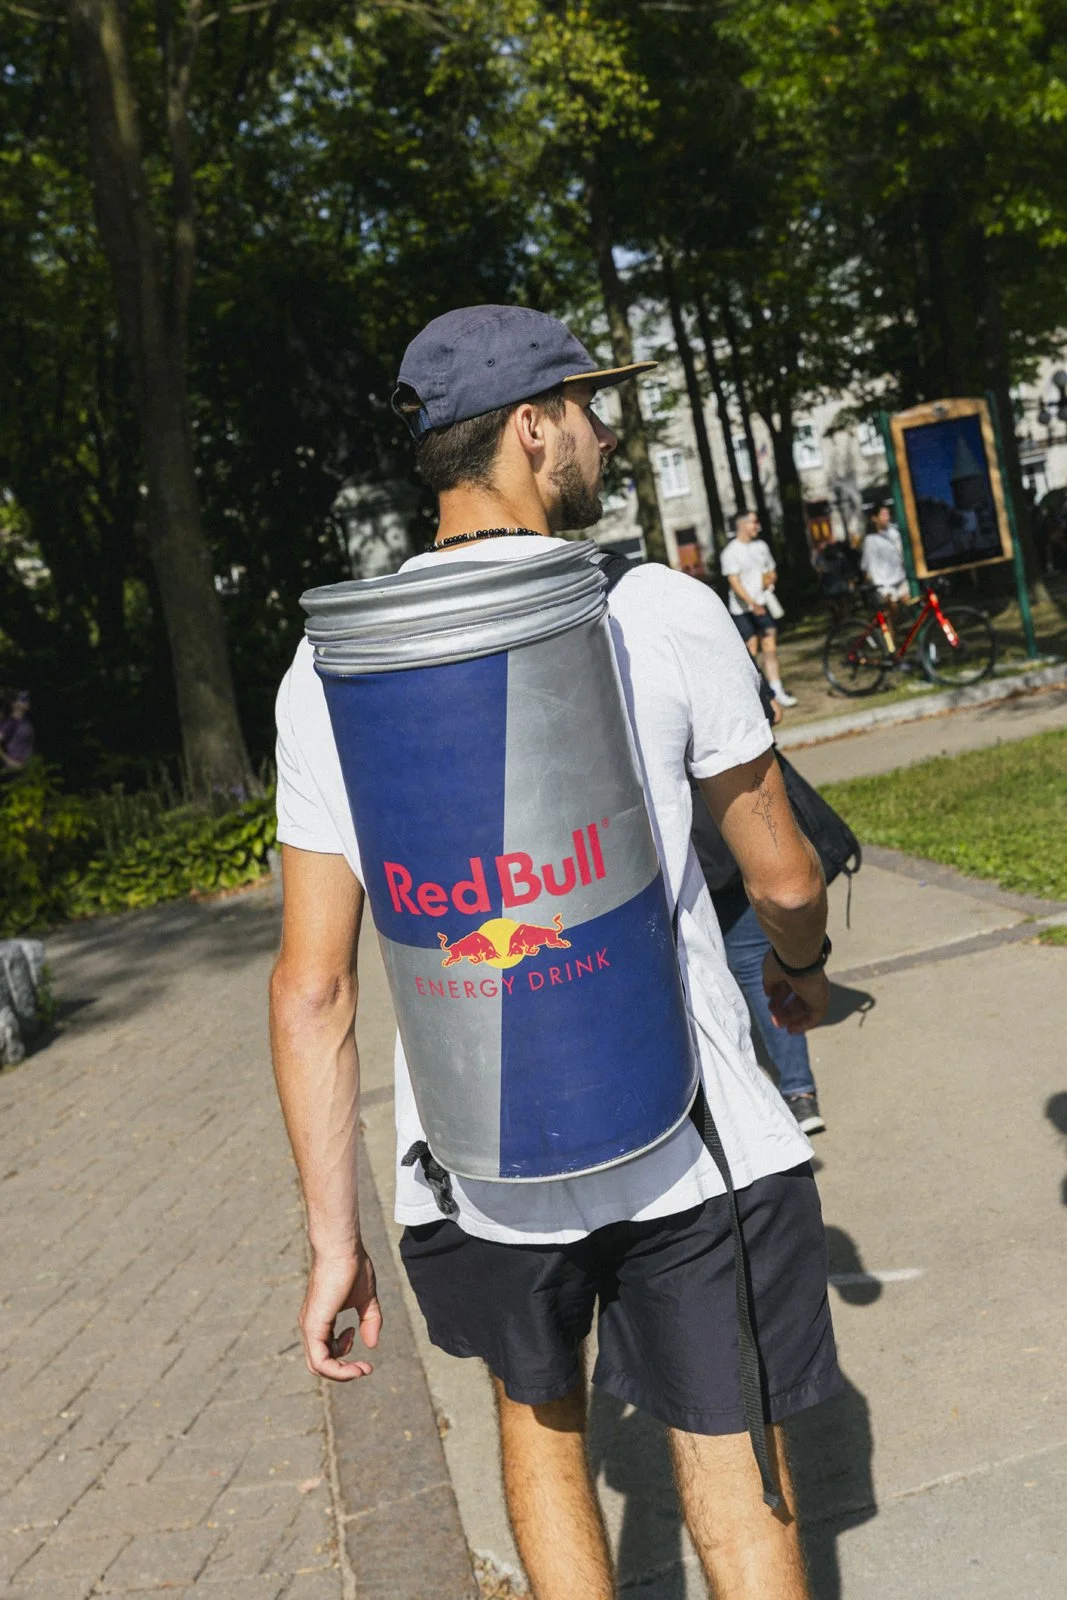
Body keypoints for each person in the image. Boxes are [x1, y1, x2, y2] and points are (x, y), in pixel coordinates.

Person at [270, 304, 841, 1600]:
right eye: (584, 410)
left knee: (538, 1439)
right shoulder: (651, 608)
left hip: (475, 1155)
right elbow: (783, 875)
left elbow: (310, 986)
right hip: (674, 1137)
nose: (599, 433)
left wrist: (332, 1243)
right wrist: (797, 974)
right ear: (530, 432)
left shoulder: (331, 670)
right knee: (729, 1454)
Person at [720, 510, 798, 707]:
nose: (757, 526)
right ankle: (755, 696)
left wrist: (771, 578)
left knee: (770, 647)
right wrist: (751, 604)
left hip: (763, 604)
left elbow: (771, 570)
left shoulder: (761, 546)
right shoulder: (730, 552)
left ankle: (777, 690)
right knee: (750, 649)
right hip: (743, 610)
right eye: (754, 522)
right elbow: (734, 582)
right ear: (742, 525)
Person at [860, 504, 910, 604]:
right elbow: (867, 564)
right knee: (892, 613)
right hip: (884, 585)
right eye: (883, 515)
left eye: (888, 514)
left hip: (900, 579)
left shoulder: (894, 533)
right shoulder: (870, 540)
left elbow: (901, 553)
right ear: (875, 518)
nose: (887, 518)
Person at [0, 690, 34, 774]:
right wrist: (9, 761)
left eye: (27, 699)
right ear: (14, 704)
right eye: (23, 699)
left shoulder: (26, 722)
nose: (27, 702)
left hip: (25, 770)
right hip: (12, 772)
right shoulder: (10, 723)